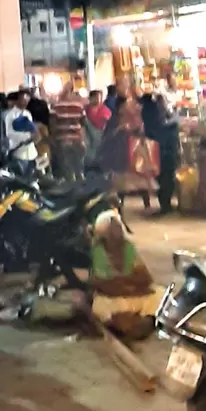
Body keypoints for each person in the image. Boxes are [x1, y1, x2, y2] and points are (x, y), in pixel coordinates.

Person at [89, 210, 162, 340]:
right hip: (115, 298)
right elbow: (103, 285)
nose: (119, 232)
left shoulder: (129, 247)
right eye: (114, 229)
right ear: (104, 234)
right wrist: (132, 287)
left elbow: (145, 278)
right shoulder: (98, 251)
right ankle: (132, 324)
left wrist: (131, 286)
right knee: (101, 306)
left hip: (133, 293)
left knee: (160, 294)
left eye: (119, 227)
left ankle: (137, 323)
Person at [50, 81, 87, 179]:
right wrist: (82, 139)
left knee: (67, 168)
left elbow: (52, 125)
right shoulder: (79, 106)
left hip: (63, 140)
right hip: (77, 140)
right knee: (78, 166)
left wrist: (53, 140)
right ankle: (81, 184)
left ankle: (71, 186)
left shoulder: (56, 106)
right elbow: (83, 123)